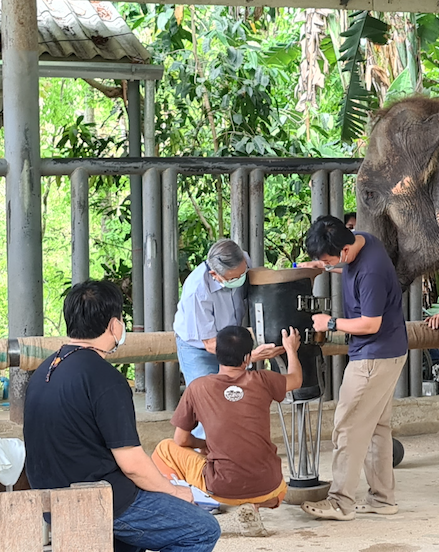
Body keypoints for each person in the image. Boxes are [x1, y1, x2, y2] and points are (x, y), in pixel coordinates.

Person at [23, 279, 219, 552]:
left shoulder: (45, 370)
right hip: (101, 499)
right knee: (202, 528)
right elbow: (132, 464)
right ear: (114, 326)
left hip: (49, 497)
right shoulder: (105, 379)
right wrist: (174, 491)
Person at [298, 215, 408, 521]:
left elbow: (371, 323)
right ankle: (383, 500)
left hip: (373, 357)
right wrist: (328, 267)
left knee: (347, 426)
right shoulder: (362, 240)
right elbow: (344, 264)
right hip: (389, 352)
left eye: (331, 259)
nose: (332, 263)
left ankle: (341, 502)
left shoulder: (370, 271)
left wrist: (329, 323)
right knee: (375, 428)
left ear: (345, 252)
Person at [152, 325, 302, 537]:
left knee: (165, 449)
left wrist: (204, 445)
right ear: (248, 357)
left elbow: (181, 439)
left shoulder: (198, 387)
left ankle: (184, 506)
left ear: (215, 353)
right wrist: (291, 350)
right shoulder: (263, 380)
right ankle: (252, 506)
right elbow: (296, 379)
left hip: (220, 488)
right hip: (269, 487)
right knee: (276, 492)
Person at [173, 239, 282, 438]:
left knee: (234, 402)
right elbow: (210, 344)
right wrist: (249, 357)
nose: (241, 278)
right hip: (200, 348)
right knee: (208, 406)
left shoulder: (242, 260)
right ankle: (201, 460)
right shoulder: (197, 291)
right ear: (215, 275)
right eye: (235, 278)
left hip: (231, 340)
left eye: (243, 273)